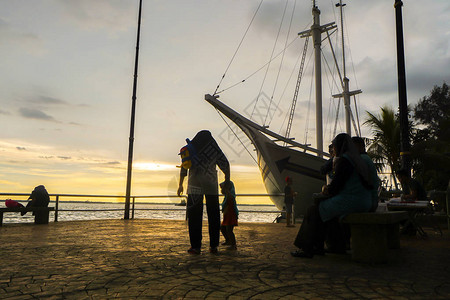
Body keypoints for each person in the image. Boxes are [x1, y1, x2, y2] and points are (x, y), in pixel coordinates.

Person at [291, 133, 372, 258]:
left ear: (339, 146)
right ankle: (335, 246)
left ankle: (307, 248)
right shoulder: (357, 159)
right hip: (363, 200)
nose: (332, 150)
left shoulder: (345, 161)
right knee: (327, 212)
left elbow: (335, 187)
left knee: (314, 210)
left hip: (352, 201)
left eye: (333, 146)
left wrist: (325, 189)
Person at [177, 130, 230, 255]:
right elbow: (225, 164)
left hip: (194, 185)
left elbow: (184, 166)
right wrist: (227, 180)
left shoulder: (192, 147)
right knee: (214, 216)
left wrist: (180, 185)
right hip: (211, 185)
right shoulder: (214, 147)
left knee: (194, 216)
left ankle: (195, 246)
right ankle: (213, 246)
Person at [352, 136, 380, 212]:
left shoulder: (361, 160)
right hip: (371, 200)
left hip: (366, 202)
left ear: (360, 147)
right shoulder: (366, 158)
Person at [220, 180, 238, 250]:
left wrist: (226, 189)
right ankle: (228, 240)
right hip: (226, 215)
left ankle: (233, 244)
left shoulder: (230, 195)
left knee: (229, 230)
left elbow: (231, 198)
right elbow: (221, 184)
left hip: (231, 215)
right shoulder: (226, 196)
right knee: (222, 228)